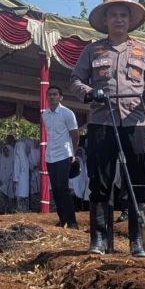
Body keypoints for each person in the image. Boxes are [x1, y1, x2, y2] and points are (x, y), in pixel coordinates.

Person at [70, 0, 145, 257]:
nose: (119, 19)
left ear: (130, 20)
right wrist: (90, 93)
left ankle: (137, 239)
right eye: (114, 15)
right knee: (100, 180)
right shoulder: (93, 50)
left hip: (136, 121)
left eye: (124, 15)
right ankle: (100, 239)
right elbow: (76, 80)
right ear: (105, 20)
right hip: (103, 120)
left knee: (140, 180)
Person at [43, 85, 80, 228]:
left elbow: (75, 135)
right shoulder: (45, 115)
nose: (52, 97)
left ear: (61, 97)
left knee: (63, 187)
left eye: (55, 94)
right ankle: (62, 219)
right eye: (50, 94)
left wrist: (73, 153)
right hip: (50, 156)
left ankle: (72, 221)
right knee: (55, 189)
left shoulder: (67, 113)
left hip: (64, 154)